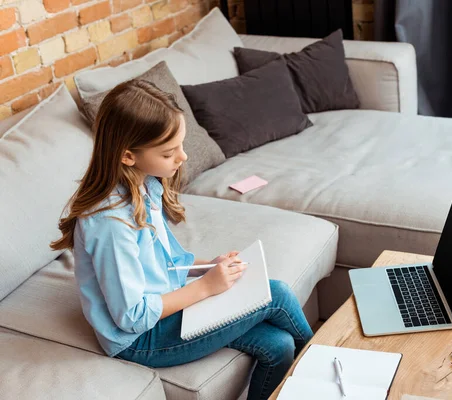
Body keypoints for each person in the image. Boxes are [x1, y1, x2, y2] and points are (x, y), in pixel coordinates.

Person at [50, 79, 313, 400]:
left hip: (167, 305)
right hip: (140, 339)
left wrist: (207, 268)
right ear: (128, 156)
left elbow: (166, 262)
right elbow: (131, 316)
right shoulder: (110, 223)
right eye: (169, 152)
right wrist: (205, 288)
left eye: (181, 145)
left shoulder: (145, 186)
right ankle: (329, 367)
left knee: (279, 346)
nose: (183, 157)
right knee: (277, 294)